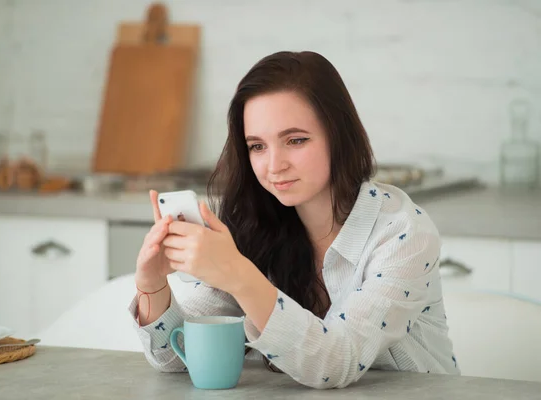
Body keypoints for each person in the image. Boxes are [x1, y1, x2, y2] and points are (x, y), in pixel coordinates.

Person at [129, 51, 460, 389]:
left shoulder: (403, 232)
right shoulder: (252, 227)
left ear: (339, 136)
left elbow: (337, 362)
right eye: (257, 146)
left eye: (296, 140)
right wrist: (152, 284)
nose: (274, 165)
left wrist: (239, 275)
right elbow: (177, 357)